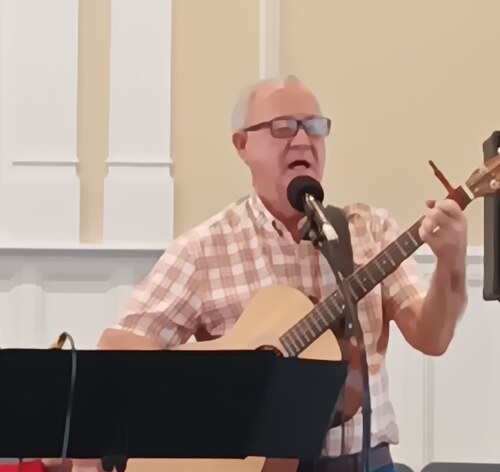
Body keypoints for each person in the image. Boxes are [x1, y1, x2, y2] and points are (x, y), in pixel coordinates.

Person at [58, 75, 468, 472]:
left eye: (314, 127)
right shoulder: (206, 248)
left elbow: (431, 337)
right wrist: (206, 393)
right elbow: (118, 348)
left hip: (366, 462)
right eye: (283, 127)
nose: (303, 140)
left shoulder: (370, 230)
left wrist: (451, 262)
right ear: (242, 144)